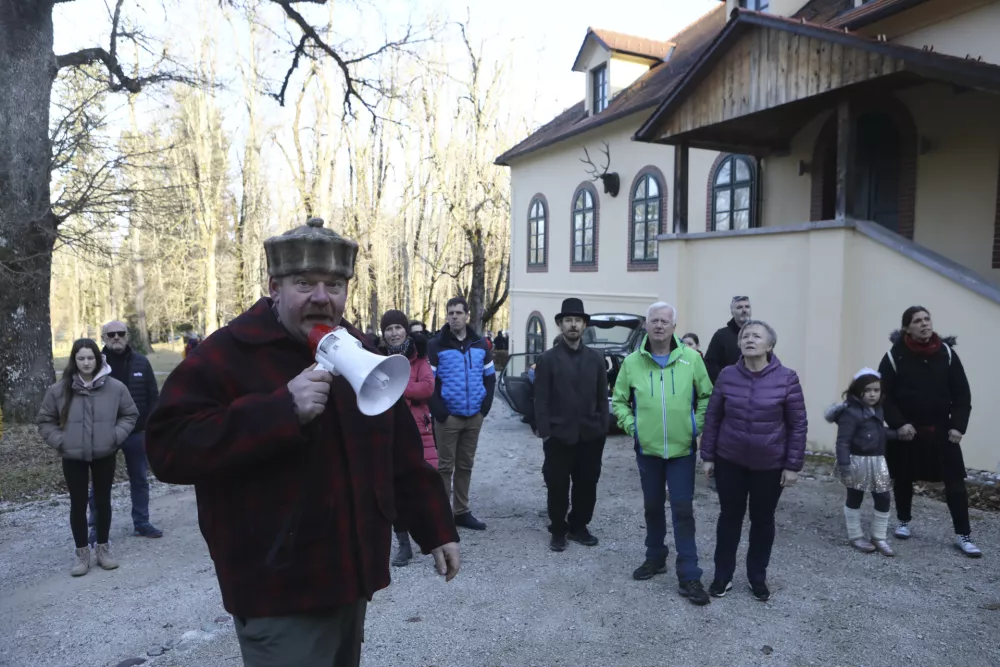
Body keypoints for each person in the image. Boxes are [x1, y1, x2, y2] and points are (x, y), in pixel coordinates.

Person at [144, 218, 460, 667]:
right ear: (274, 286)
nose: (320, 297)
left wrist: (435, 528)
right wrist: (279, 412)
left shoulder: (359, 350)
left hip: (350, 579)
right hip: (276, 587)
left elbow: (399, 453)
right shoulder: (228, 353)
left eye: (334, 284)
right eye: (304, 283)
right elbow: (167, 446)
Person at [612, 302, 713, 606]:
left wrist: (696, 426)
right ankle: (655, 556)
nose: (659, 326)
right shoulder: (632, 363)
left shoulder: (692, 359)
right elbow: (618, 401)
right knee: (653, 506)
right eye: (654, 320)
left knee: (682, 510)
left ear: (673, 327)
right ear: (646, 325)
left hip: (682, 450)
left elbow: (708, 395)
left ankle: (689, 574)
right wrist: (634, 428)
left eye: (664, 321)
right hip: (649, 449)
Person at [701, 320, 806, 602]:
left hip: (770, 466)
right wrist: (708, 456)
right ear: (739, 344)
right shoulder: (726, 375)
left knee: (762, 520)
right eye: (745, 336)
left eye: (757, 336)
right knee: (729, 519)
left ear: (769, 345)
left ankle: (757, 577)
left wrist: (792, 465)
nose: (749, 339)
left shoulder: (787, 378)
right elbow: (713, 418)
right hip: (730, 462)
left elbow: (797, 425)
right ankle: (722, 576)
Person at [878, 306, 980, 557]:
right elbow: (883, 395)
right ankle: (903, 521)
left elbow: (962, 394)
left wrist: (958, 426)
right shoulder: (894, 356)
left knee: (955, 483)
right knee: (903, 477)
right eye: (917, 321)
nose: (925, 324)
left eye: (927, 319)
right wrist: (899, 424)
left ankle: (963, 535)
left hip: (942, 430)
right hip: (908, 430)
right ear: (907, 328)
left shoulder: (946, 353)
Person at [37, 338, 138, 576]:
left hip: (105, 453)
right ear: (74, 360)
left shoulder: (115, 388)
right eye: (81, 358)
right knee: (78, 504)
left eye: (90, 358)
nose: (86, 363)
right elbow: (44, 421)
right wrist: (62, 442)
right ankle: (82, 554)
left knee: (103, 502)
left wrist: (114, 436)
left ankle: (103, 550)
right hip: (73, 457)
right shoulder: (59, 390)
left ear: (98, 359)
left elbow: (130, 415)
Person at [533, 298, 609, 552]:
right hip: (558, 435)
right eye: (568, 320)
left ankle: (579, 526)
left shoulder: (597, 359)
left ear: (584, 325)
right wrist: (545, 432)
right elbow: (540, 398)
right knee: (557, 485)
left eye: (577, 320)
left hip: (590, 434)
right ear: (560, 324)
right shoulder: (547, 359)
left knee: (587, 484)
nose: (573, 325)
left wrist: (601, 428)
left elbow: (602, 397)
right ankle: (558, 529)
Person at [86, 320, 163, 544]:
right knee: (100, 481)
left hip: (136, 433)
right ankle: (96, 527)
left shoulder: (141, 362)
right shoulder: (94, 365)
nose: (116, 337)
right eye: (111, 335)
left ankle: (141, 522)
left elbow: (153, 397)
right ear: (103, 338)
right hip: (104, 434)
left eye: (120, 333)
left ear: (127, 336)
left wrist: (149, 425)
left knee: (139, 479)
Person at [428, 296, 496, 531]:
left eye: (459, 312)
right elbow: (430, 381)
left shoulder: (480, 345)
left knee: (465, 465)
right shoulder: (436, 345)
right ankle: (442, 513)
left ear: (467, 315)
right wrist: (440, 412)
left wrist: (484, 408)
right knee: (445, 467)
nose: (454, 316)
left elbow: (490, 377)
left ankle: (461, 511)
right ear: (447, 316)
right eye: (451, 313)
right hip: (449, 417)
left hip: (473, 416)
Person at [380, 309, 438, 567]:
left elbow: (427, 388)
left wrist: (397, 387)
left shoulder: (419, 358)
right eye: (389, 329)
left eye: (398, 328)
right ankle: (403, 544)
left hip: (418, 429)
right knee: (393, 490)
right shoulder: (376, 358)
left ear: (405, 330)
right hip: (387, 431)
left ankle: (435, 538)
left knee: (424, 485)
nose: (393, 333)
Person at [825, 368, 896, 556]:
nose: (873, 394)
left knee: (883, 497)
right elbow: (843, 442)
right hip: (857, 461)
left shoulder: (878, 410)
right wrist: (844, 467)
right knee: (855, 497)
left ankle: (878, 536)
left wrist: (897, 434)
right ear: (858, 391)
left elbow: (878, 432)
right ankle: (855, 535)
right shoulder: (850, 413)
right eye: (867, 390)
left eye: (876, 390)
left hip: (877, 460)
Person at [704, 296, 752, 383]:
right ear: (732, 312)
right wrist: (724, 384)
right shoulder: (721, 336)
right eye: (739, 307)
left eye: (747, 307)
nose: (744, 310)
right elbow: (710, 364)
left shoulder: (758, 334)